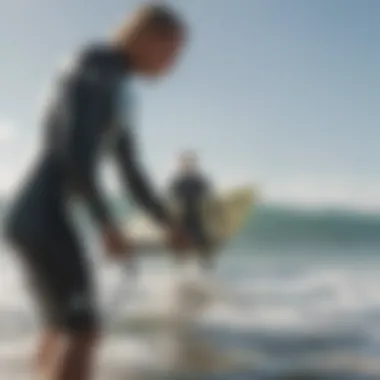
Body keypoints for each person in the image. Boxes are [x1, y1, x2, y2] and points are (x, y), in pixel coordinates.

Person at [4, 4, 187, 380]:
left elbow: (132, 173)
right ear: (147, 37)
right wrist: (107, 224)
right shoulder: (95, 66)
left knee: (59, 327)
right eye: (171, 50)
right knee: (84, 332)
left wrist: (169, 223)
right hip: (42, 217)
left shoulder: (117, 84)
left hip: (34, 216)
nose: (173, 63)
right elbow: (75, 152)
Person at [168, 151, 218, 270]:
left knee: (201, 237)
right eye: (186, 163)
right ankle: (180, 266)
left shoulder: (199, 180)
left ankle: (206, 264)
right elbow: (172, 197)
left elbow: (208, 197)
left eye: (190, 163)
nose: (188, 165)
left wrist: (211, 212)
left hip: (196, 214)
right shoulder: (179, 181)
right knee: (179, 239)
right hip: (183, 214)